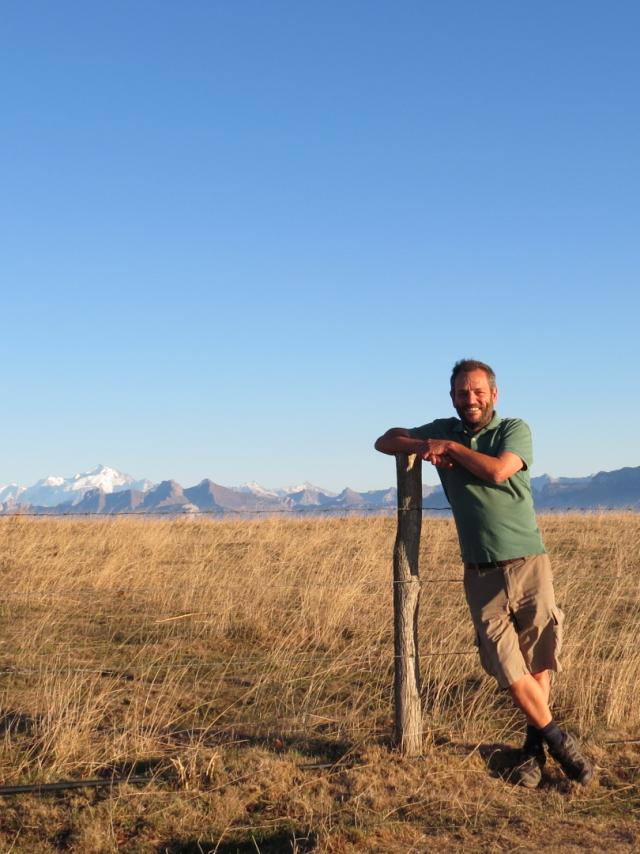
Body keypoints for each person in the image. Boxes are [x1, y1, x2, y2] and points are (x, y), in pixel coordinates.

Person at [374, 358, 593, 788]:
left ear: (494, 394)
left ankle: (531, 754)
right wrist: (423, 446)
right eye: (461, 392)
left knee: (537, 658)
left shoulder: (514, 430)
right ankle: (560, 742)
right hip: (480, 573)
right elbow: (384, 441)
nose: (469, 399)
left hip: (528, 561)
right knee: (507, 667)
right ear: (452, 397)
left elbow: (498, 471)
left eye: (477, 391)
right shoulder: (444, 428)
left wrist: (450, 449)